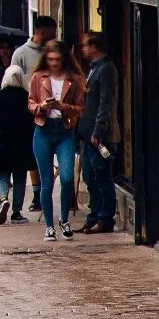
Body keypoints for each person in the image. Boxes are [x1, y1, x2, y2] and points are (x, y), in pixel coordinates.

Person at [28, 40, 86, 241]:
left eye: (57, 59)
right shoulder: (38, 77)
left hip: (64, 130)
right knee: (46, 182)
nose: (53, 63)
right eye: (50, 59)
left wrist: (63, 106)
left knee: (67, 176)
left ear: (64, 59)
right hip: (43, 130)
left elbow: (80, 108)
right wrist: (41, 106)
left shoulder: (74, 78)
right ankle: (49, 226)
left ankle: (64, 219)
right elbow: (30, 103)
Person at [0, 64, 34, 225]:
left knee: (1, 175)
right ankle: (17, 212)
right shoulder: (27, 97)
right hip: (22, 143)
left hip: (0, 142)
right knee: (19, 176)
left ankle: (3, 199)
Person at [79, 32, 119, 234]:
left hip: (101, 135)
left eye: (86, 45)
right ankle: (93, 215)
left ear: (95, 46)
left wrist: (98, 130)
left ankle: (105, 218)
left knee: (102, 176)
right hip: (87, 135)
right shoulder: (93, 69)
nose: (83, 49)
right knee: (90, 176)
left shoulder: (106, 69)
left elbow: (105, 102)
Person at [11, 16, 56, 80]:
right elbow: (14, 80)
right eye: (53, 32)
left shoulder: (53, 52)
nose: (54, 36)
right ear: (42, 32)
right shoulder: (20, 54)